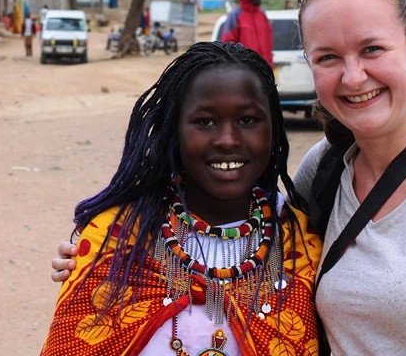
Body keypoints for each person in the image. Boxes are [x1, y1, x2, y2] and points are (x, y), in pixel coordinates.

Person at [51, 0, 406, 354]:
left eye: (372, 49)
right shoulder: (323, 175)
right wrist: (110, 244)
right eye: (328, 57)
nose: (353, 77)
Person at [41, 42, 321, 356]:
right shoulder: (117, 239)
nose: (228, 140)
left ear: (274, 129)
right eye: (205, 122)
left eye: (248, 120)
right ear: (173, 131)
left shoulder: (298, 246)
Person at [221, 0, 273, 70]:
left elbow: (268, 40)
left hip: (265, 68)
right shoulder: (235, 15)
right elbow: (228, 44)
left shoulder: (262, 14)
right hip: (245, 70)